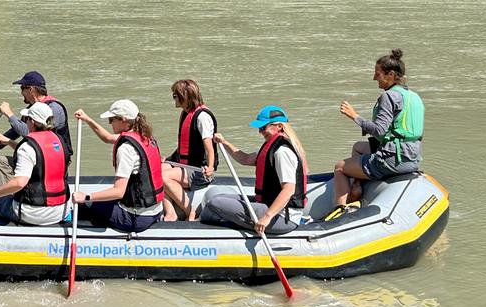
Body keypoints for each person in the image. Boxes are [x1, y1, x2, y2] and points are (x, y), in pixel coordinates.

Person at [331, 49, 424, 215]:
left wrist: (355, 116)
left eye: (377, 73)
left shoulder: (389, 97)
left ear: (390, 74)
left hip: (393, 160)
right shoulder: (413, 96)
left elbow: (380, 132)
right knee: (358, 147)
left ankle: (339, 210)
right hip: (413, 157)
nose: (374, 78)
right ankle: (357, 188)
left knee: (339, 167)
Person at [199, 106, 308, 235]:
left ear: (279, 126)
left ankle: (201, 228)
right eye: (259, 128)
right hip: (266, 203)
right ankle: (200, 223)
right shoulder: (272, 146)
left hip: (282, 217)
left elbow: (289, 189)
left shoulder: (282, 152)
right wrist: (224, 142)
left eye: (263, 128)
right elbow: (245, 159)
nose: (260, 132)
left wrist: (267, 217)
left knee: (215, 203)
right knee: (215, 197)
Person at [71, 99, 164, 233]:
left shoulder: (126, 149)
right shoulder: (145, 136)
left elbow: (118, 192)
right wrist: (87, 119)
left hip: (135, 217)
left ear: (123, 120)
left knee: (82, 207)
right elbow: (108, 138)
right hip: (155, 210)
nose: (110, 123)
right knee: (99, 204)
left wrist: (85, 197)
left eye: (111, 119)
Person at [0, 71, 73, 186]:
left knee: (4, 162)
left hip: (54, 159)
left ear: (31, 89)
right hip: (38, 156)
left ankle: (10, 197)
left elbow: (31, 133)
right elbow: (15, 131)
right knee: (4, 161)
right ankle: (14, 194)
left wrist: (9, 114)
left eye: (22, 88)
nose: (21, 93)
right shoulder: (32, 109)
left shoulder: (54, 108)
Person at [0, 102, 70, 225]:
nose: (25, 122)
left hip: (32, 213)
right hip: (61, 210)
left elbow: (19, 182)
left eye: (26, 119)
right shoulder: (58, 141)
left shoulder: (27, 147)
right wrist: (9, 141)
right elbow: (38, 154)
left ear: (32, 122)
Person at [161, 80, 217, 221]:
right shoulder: (186, 113)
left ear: (184, 96)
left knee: (162, 177)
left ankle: (191, 211)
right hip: (186, 165)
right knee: (156, 170)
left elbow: (208, 147)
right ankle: (170, 213)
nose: (173, 98)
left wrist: (210, 168)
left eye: (175, 95)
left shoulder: (202, 117)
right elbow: (185, 147)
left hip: (199, 170)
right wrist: (168, 159)